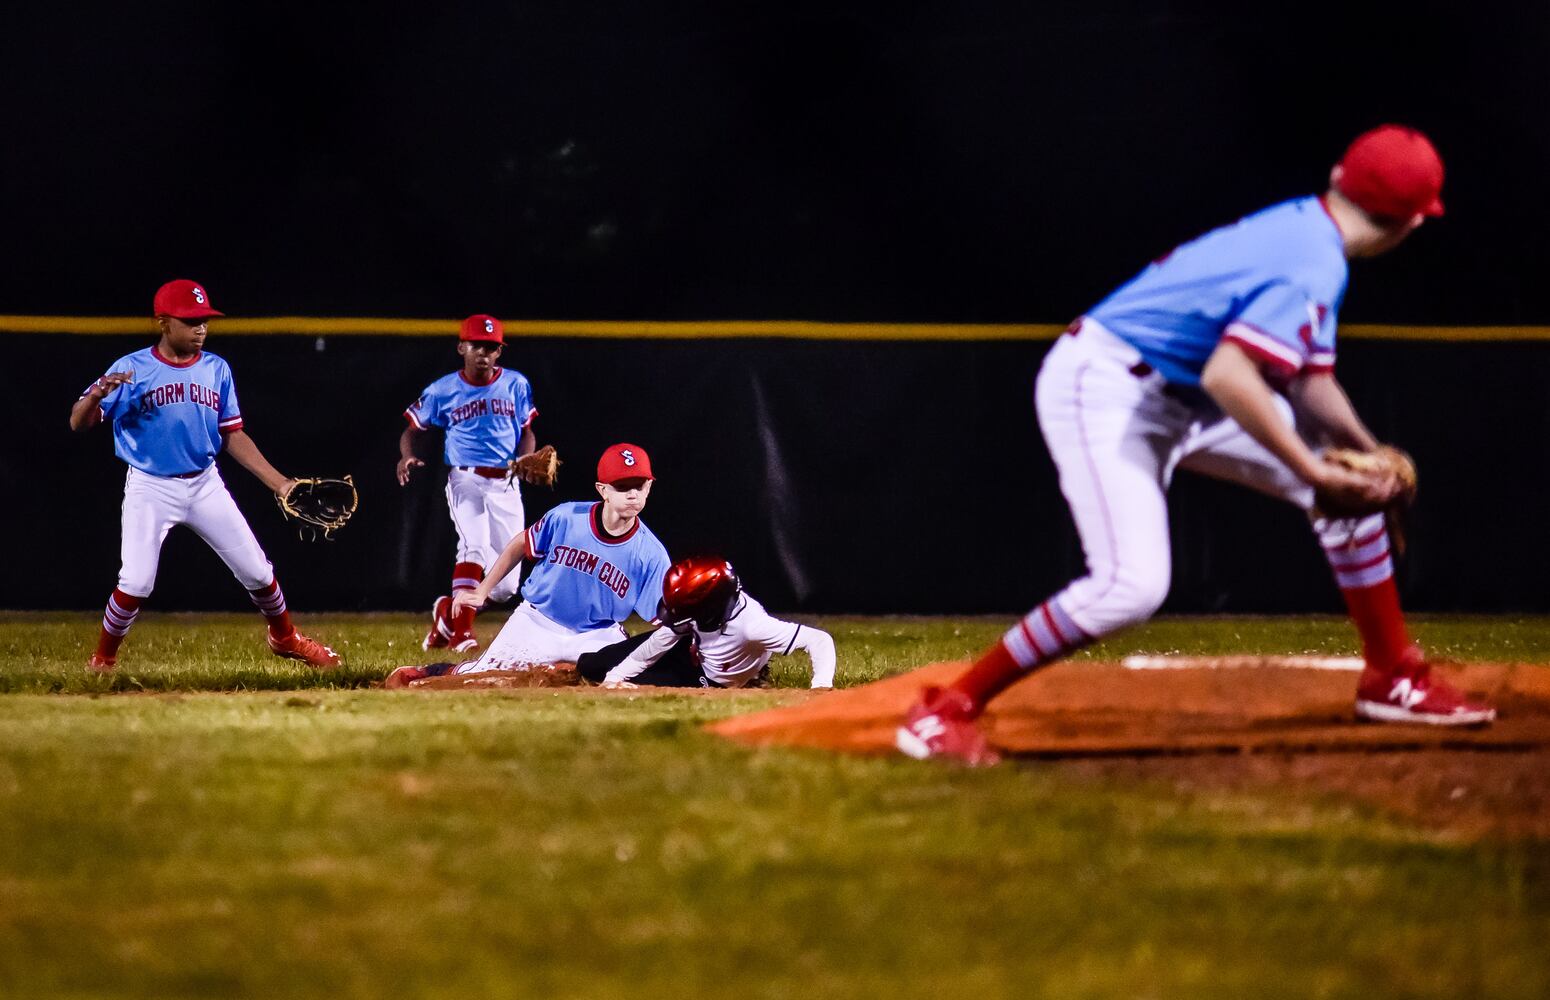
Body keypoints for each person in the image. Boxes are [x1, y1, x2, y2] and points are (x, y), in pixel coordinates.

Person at [897, 125, 1493, 765]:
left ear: (1340, 178)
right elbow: (1231, 376)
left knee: (1358, 495)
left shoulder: (1307, 229)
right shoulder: (1312, 262)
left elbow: (1309, 384)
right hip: (1109, 388)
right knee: (1131, 587)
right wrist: (1313, 473)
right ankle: (943, 711)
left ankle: (1390, 676)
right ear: (1411, 223)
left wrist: (1365, 451)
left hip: (1176, 395)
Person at [69, 279, 339, 672]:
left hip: (203, 482)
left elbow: (232, 434)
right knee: (137, 582)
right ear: (163, 322)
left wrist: (279, 482)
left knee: (258, 571)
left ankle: (285, 637)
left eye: (205, 320)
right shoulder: (131, 367)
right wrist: (94, 396)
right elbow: (78, 423)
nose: (200, 328)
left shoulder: (216, 368)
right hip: (151, 484)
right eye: (190, 320)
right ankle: (103, 659)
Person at [385, 443, 669, 686]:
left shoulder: (651, 553)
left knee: (625, 679)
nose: (632, 494)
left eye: (639, 485)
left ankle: (559, 670)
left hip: (598, 634)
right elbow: (521, 543)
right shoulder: (567, 518)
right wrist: (483, 590)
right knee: (482, 677)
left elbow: (665, 619)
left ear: (650, 487)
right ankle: (435, 671)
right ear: (603, 490)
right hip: (538, 621)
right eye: (622, 486)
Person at [398, 314, 539, 653]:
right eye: (477, 346)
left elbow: (527, 432)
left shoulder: (516, 384)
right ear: (462, 347)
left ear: (499, 352)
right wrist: (406, 456)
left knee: (505, 586)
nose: (484, 354)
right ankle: (462, 632)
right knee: (472, 546)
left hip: (506, 483)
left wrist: (526, 458)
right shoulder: (443, 389)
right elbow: (411, 429)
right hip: (466, 479)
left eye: (491, 348)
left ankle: (448, 613)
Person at [576, 556, 837, 690]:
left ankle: (757, 680)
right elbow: (655, 645)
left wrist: (821, 686)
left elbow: (819, 640)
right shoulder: (701, 612)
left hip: (708, 678)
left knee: (625, 685)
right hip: (691, 648)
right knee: (590, 665)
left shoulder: (752, 626)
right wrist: (616, 676)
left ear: (710, 608)